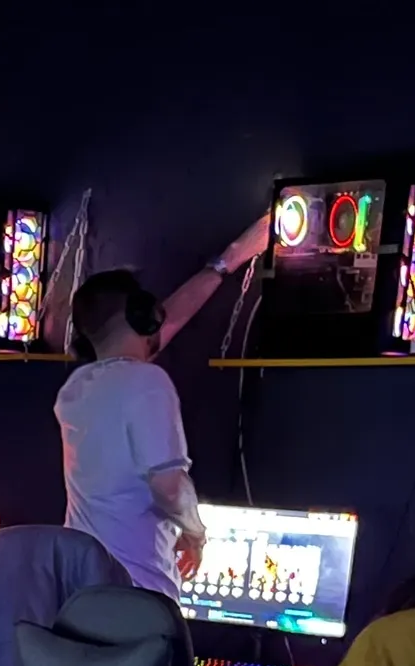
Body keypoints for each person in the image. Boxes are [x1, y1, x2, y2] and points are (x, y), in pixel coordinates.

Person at [51, 221, 270, 599]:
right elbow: (169, 487)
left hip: (78, 593)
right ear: (143, 316)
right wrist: (195, 533)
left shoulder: (77, 388)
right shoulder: (146, 381)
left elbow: (157, 328)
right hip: (136, 600)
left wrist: (230, 259)